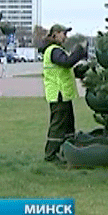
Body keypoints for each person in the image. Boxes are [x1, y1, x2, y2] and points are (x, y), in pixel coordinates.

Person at [39, 24, 87, 163]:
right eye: (64, 34)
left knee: (68, 125)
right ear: (55, 34)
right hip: (58, 94)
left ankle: (66, 152)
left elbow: (66, 69)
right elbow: (67, 63)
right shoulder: (53, 50)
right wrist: (78, 52)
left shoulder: (57, 50)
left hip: (63, 94)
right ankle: (51, 155)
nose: (66, 37)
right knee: (58, 125)